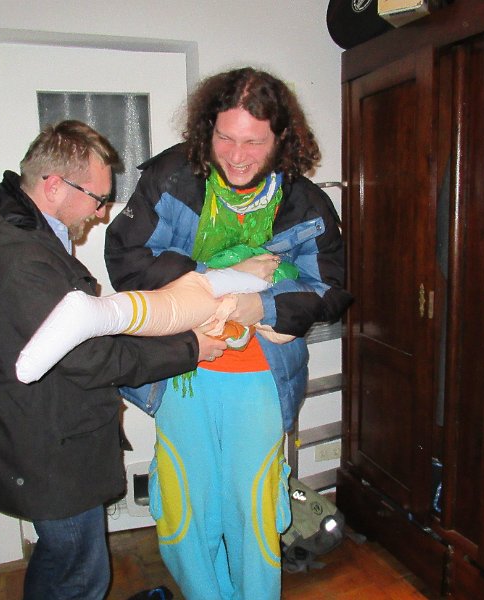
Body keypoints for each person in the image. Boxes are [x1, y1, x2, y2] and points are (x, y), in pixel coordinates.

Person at [0, 120, 226, 600]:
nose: (102, 213)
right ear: (54, 185)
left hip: (38, 428)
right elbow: (89, 355)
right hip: (48, 445)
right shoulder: (20, 260)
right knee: (79, 569)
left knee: (62, 557)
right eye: (98, 199)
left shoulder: (17, 229)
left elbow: (81, 328)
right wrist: (190, 348)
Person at [104, 68, 353, 600]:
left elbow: (330, 289)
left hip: (260, 377)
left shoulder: (305, 202)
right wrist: (216, 278)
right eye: (225, 138)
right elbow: (126, 261)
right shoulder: (172, 177)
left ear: (281, 139)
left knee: (254, 507)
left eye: (254, 142)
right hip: (181, 369)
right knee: (186, 508)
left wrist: (261, 303)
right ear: (206, 128)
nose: (237, 156)